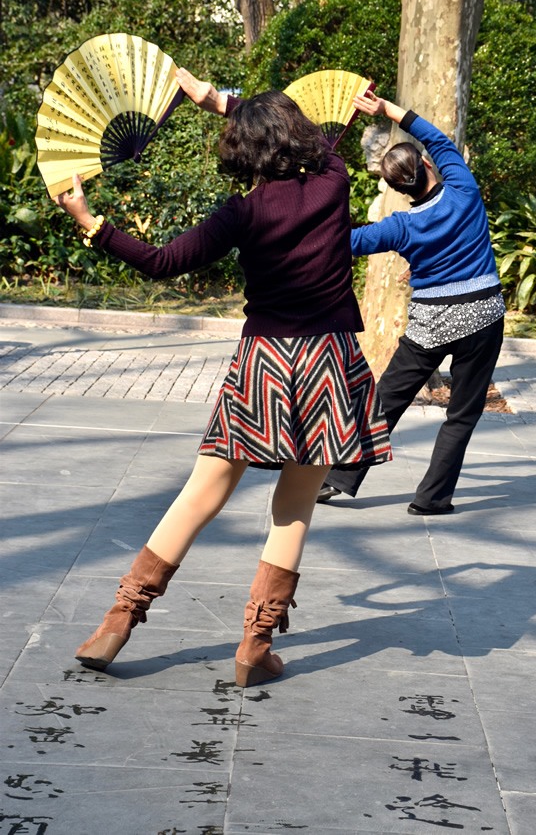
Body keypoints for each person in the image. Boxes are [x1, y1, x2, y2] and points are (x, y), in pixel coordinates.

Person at [53, 69, 391, 687]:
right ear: (296, 133)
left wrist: (90, 220)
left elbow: (160, 263)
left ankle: (119, 620)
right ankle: (254, 647)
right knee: (292, 509)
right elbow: (317, 141)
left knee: (200, 492)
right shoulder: (333, 182)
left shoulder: (240, 213)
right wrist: (219, 100)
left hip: (263, 362)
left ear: (241, 147)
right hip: (328, 363)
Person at [318, 90, 505, 515]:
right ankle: (430, 499)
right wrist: (386, 109)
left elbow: (345, 242)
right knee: (461, 415)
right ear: (425, 165)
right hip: (483, 318)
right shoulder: (463, 188)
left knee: (386, 399)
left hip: (430, 326)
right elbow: (436, 138)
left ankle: (337, 479)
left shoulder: (401, 226)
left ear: (393, 188)